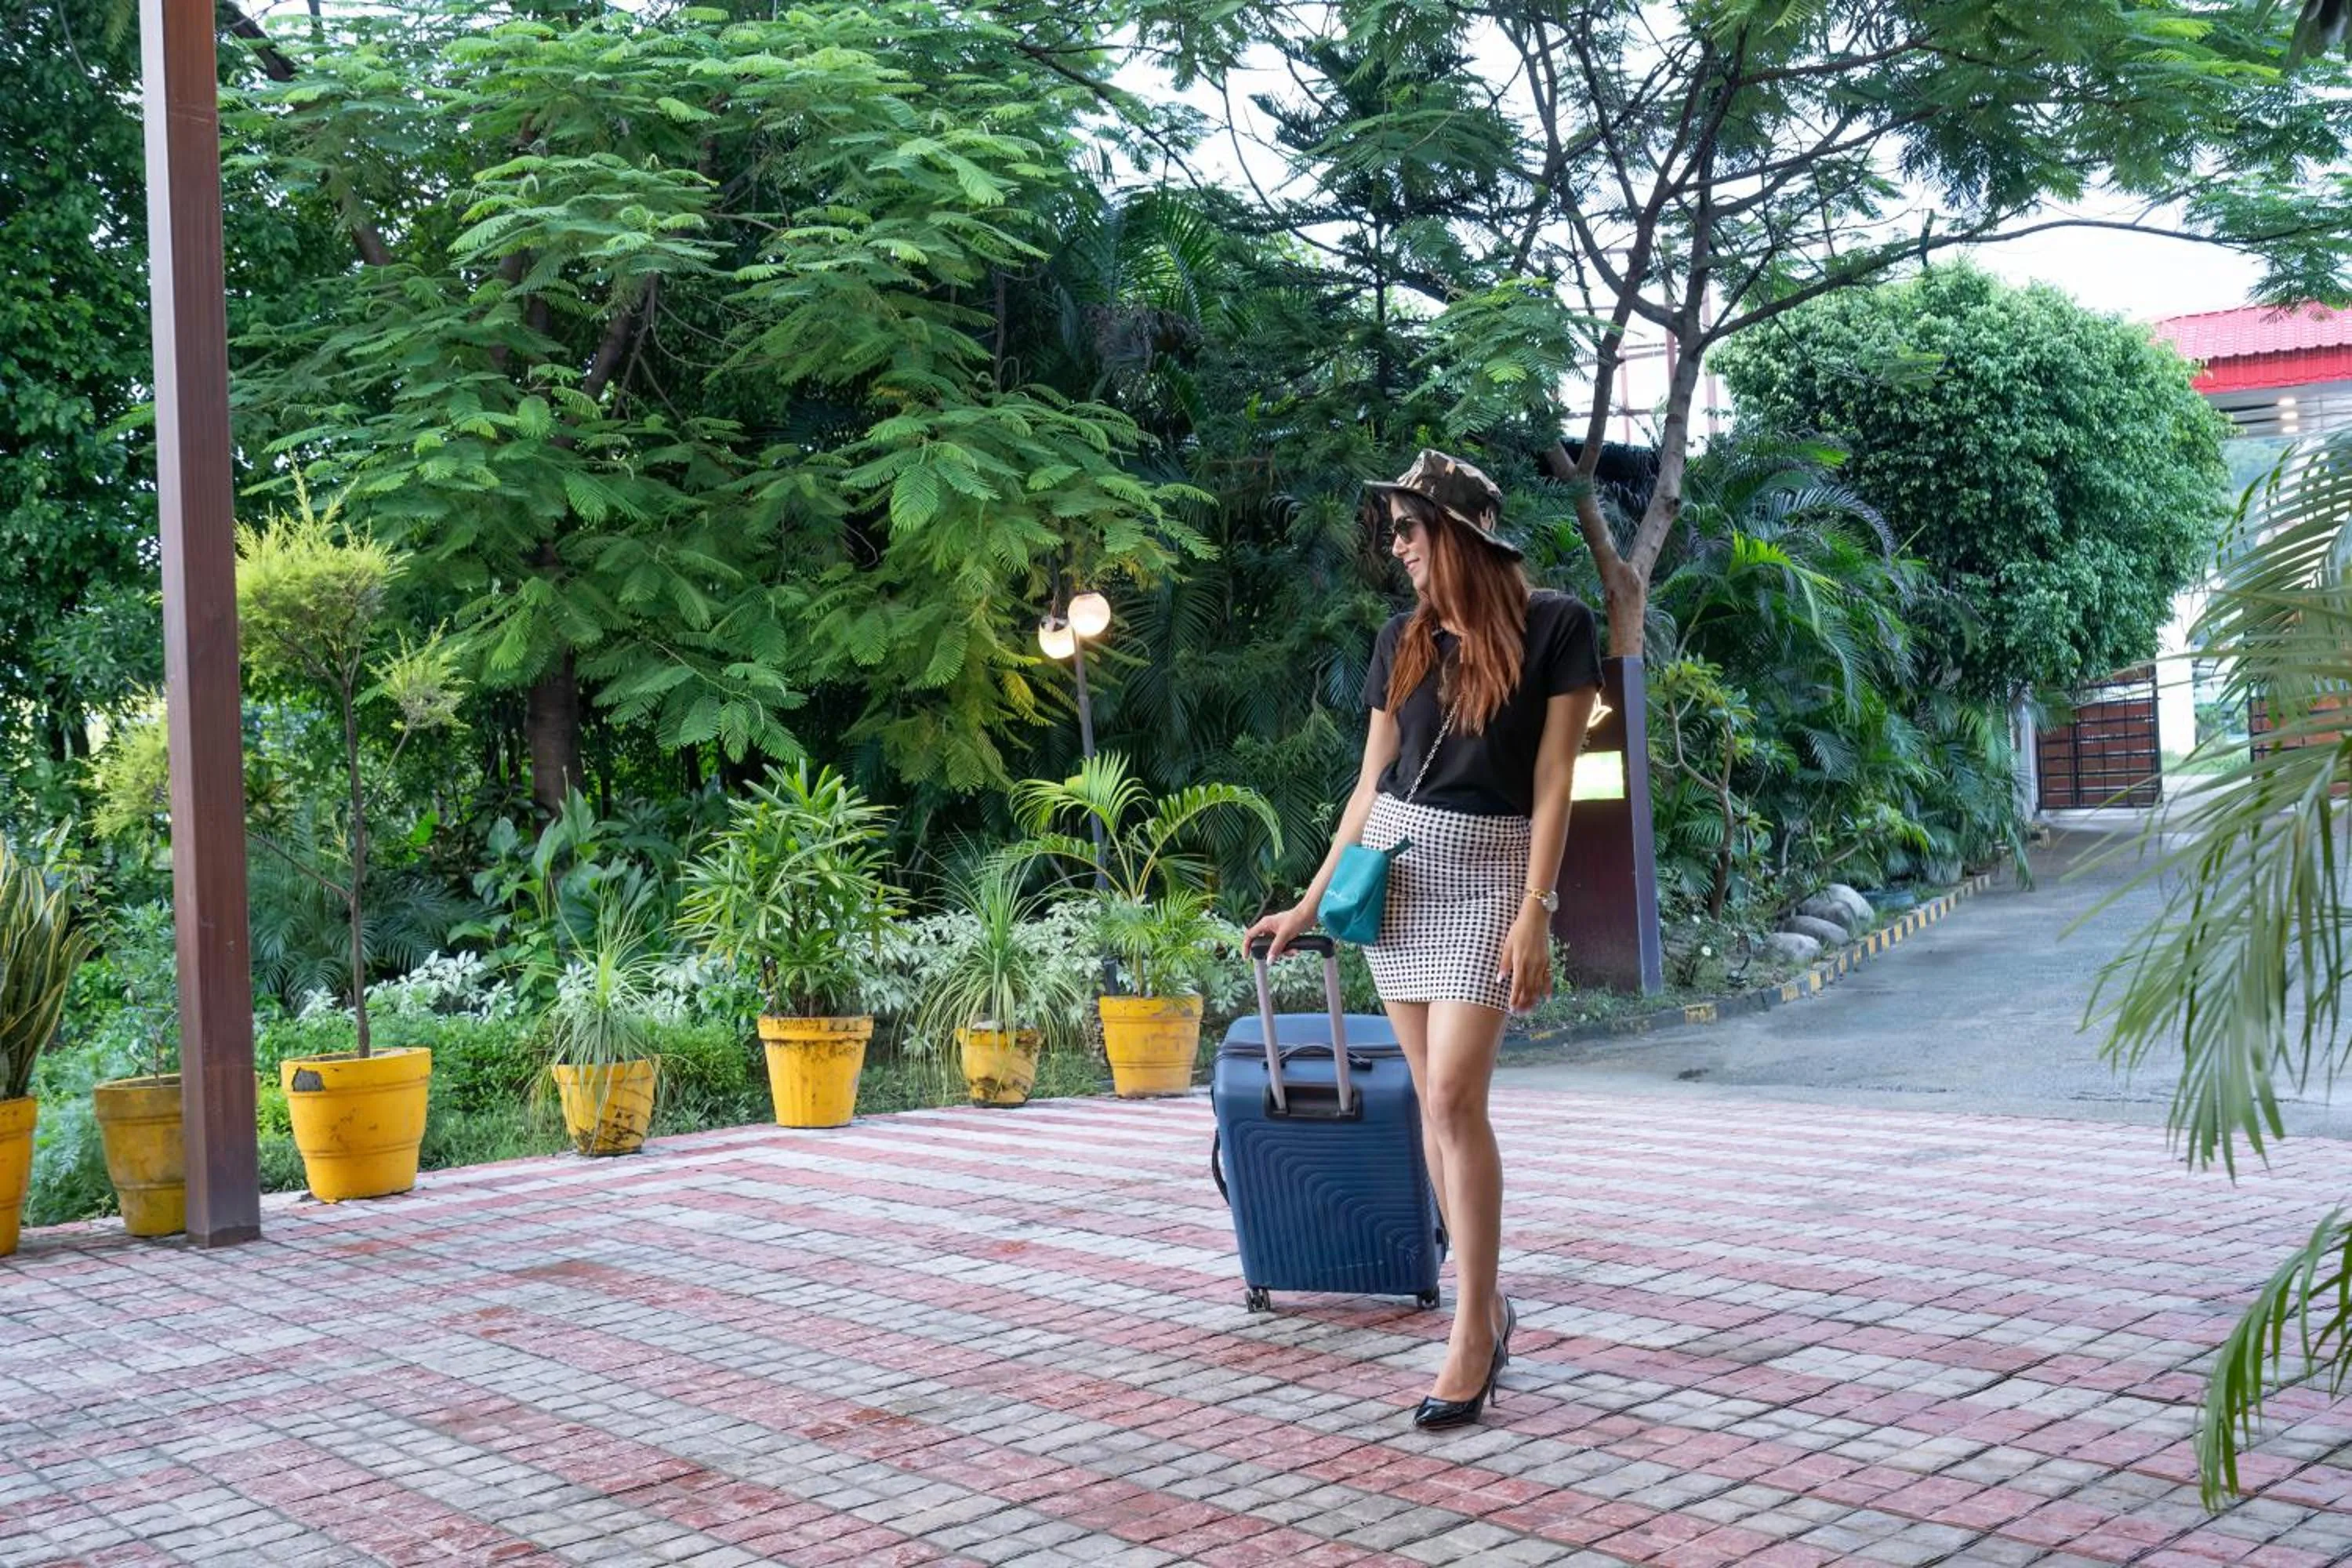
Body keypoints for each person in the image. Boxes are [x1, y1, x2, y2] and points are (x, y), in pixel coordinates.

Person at [1246, 449, 1601, 1429]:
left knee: (1453, 1095)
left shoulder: (1556, 625)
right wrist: (1310, 903)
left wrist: (1539, 907)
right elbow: (1368, 784)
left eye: (1410, 527)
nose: (1396, 545)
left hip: (1494, 870)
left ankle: (1470, 1336)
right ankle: (1487, 1307)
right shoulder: (1400, 638)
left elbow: (1555, 781)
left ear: (1459, 534)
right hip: (1399, 876)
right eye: (1395, 528)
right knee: (1435, 1109)